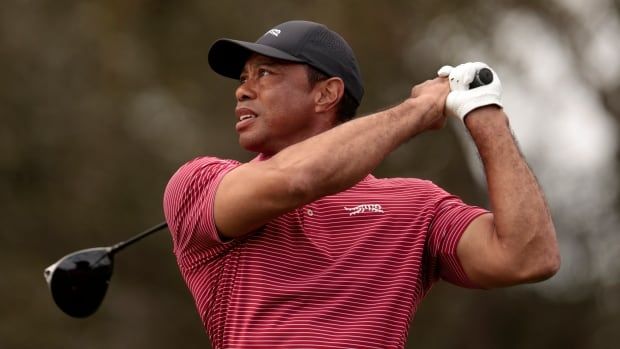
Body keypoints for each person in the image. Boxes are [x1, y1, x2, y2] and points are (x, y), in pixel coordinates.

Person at [163, 20, 560, 348]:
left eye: (264, 73)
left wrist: (483, 113)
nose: (242, 88)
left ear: (326, 94)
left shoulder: (417, 205)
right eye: (244, 77)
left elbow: (528, 257)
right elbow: (297, 179)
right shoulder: (199, 183)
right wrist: (419, 109)